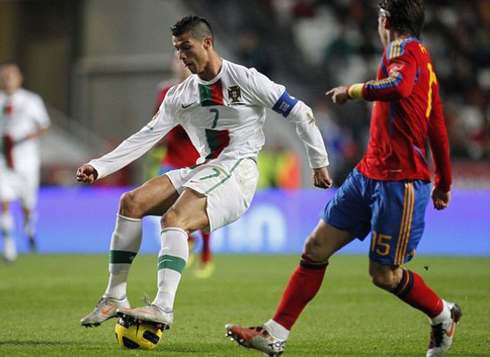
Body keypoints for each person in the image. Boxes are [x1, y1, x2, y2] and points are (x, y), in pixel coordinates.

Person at [226, 1, 461, 357]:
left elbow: (397, 86)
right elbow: (437, 125)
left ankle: (443, 314)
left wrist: (351, 91)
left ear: (385, 21)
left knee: (384, 275)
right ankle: (275, 334)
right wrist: (444, 179)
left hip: (400, 182)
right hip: (368, 173)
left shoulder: (403, 49)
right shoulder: (423, 60)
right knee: (315, 248)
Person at [78, 15, 332, 330]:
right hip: (204, 168)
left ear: (207, 43)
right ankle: (115, 296)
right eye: (177, 50)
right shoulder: (179, 95)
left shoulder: (246, 79)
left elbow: (300, 112)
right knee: (132, 203)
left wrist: (318, 162)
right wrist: (99, 166)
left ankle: (163, 307)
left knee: (174, 219)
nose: (181, 57)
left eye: (186, 48)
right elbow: (145, 137)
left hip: (237, 171)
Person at [155, 55, 214, 278]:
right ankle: (187, 240)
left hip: (196, 159)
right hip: (171, 158)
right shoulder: (164, 91)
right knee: (165, 206)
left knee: (202, 211)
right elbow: (157, 121)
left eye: (184, 60)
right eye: (177, 60)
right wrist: (154, 140)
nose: (181, 64)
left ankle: (207, 256)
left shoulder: (201, 90)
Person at [0, 63, 50, 262]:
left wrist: (26, 136)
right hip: (3, 161)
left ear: (20, 78)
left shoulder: (31, 101)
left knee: (27, 204)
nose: (6, 79)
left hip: (26, 161)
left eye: (10, 75)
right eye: (3, 76)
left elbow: (44, 126)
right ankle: (9, 245)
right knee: (4, 201)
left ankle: (29, 228)